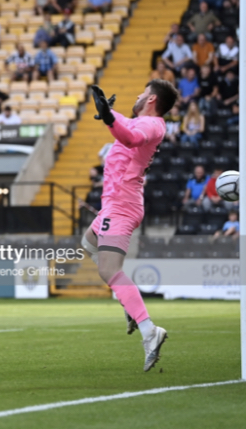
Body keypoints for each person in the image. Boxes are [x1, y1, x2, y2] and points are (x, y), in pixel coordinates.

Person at [81, 81, 179, 371]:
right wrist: (109, 112)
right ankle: (129, 304)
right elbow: (124, 124)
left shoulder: (153, 125)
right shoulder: (142, 120)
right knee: (88, 244)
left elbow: (132, 137)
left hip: (122, 205)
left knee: (109, 270)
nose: (135, 97)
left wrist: (110, 117)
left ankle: (150, 330)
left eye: (140, 93)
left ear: (150, 98)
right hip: (115, 204)